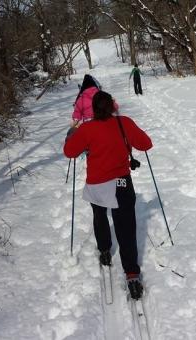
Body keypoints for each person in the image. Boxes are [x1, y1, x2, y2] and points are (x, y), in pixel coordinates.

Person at [64, 91, 152, 299]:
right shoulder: (124, 123)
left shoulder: (86, 129)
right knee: (126, 227)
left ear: (93, 109)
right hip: (121, 182)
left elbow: (69, 152)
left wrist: (71, 133)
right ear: (113, 106)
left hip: (98, 185)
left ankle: (104, 251)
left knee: (100, 216)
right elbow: (146, 144)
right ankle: (131, 273)